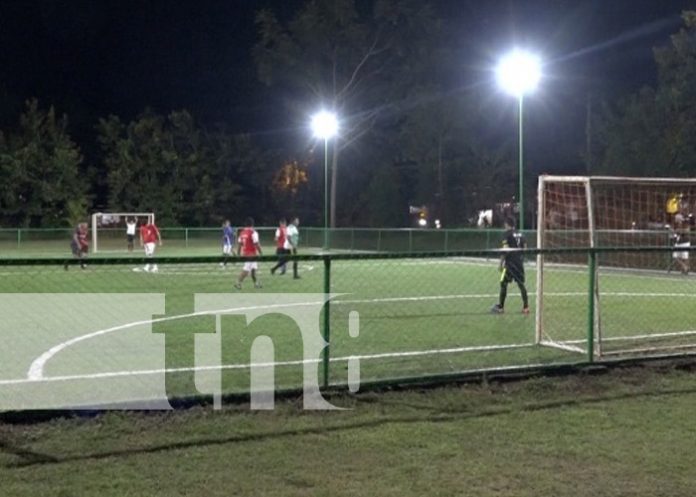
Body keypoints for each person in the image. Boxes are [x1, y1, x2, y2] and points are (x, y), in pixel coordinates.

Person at [491, 217, 530, 314]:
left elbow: (505, 249)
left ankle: (501, 307)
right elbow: (525, 248)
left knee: (503, 283)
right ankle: (526, 307)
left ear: (507, 224)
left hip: (510, 264)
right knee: (521, 284)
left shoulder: (506, 234)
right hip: (519, 263)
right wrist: (520, 258)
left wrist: (501, 263)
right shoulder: (521, 234)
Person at [235, 217, 263, 289]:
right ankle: (238, 283)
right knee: (246, 270)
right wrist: (261, 253)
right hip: (251, 254)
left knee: (253, 270)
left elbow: (239, 244)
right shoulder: (253, 232)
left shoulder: (242, 233)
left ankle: (256, 284)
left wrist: (238, 254)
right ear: (252, 224)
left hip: (245, 253)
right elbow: (256, 243)